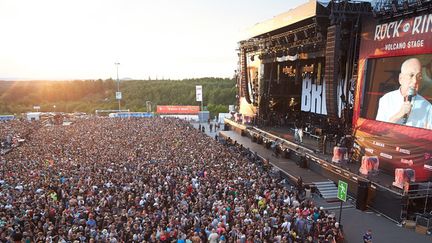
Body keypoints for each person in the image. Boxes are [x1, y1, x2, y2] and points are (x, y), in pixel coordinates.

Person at [376, 58, 432, 129]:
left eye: (418, 76)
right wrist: (399, 114)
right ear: (401, 78)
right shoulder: (386, 100)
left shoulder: (428, 107)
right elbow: (378, 130)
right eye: (411, 75)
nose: (415, 81)